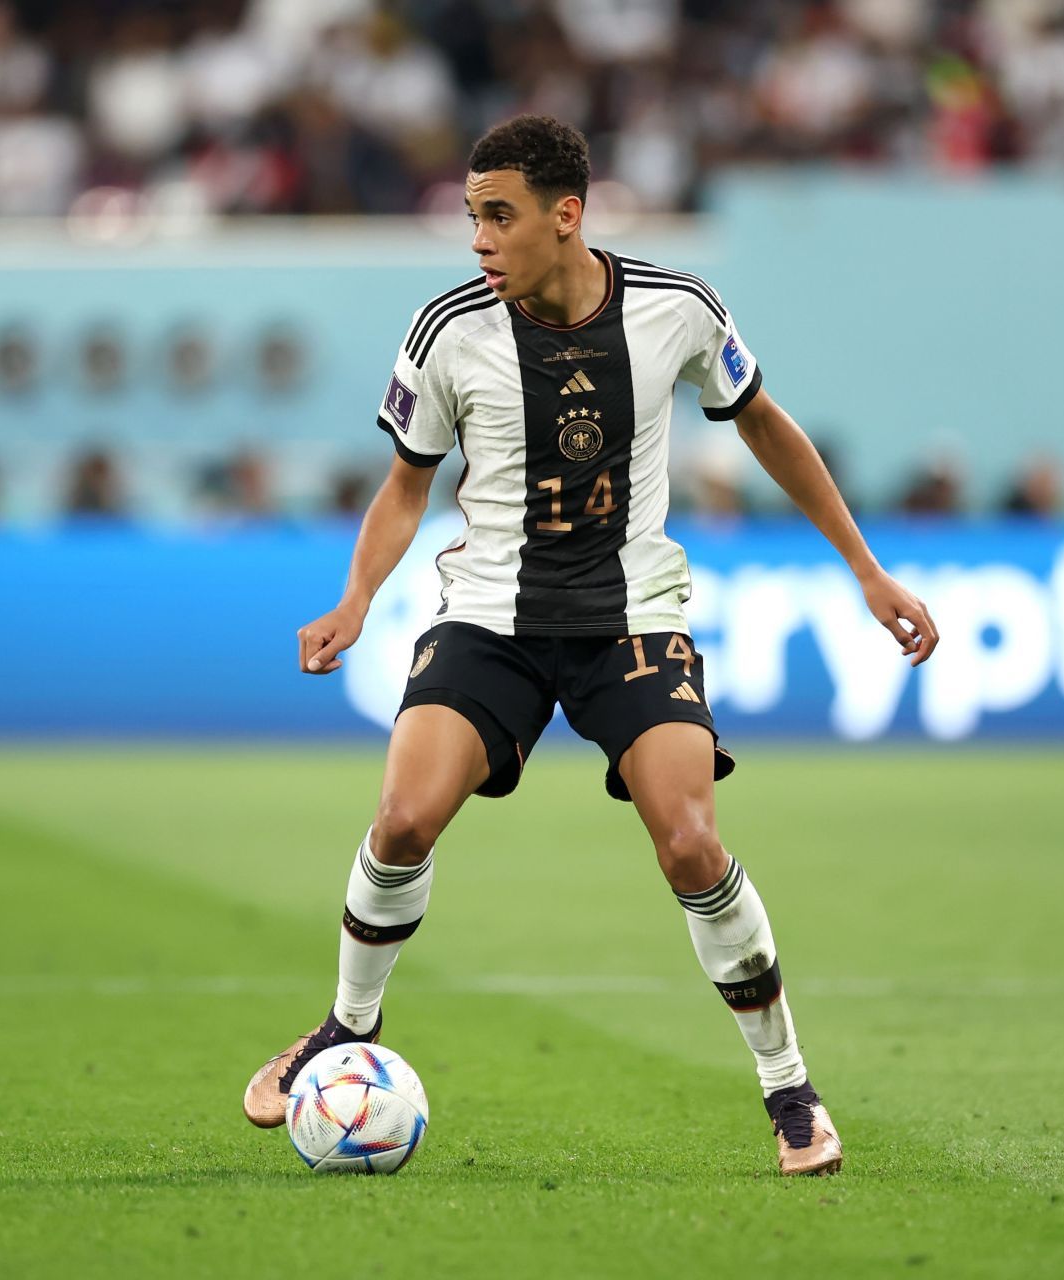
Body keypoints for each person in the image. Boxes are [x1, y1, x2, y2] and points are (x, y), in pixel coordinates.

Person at [241, 115, 939, 1176]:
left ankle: (789, 1086)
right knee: (401, 818)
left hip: (632, 620)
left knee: (692, 844)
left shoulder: (679, 309)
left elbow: (761, 423)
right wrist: (357, 597)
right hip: (490, 618)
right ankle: (348, 1024)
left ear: (566, 216)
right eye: (473, 215)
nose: (478, 239)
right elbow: (405, 484)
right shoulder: (446, 332)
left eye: (498, 216)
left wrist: (866, 566)